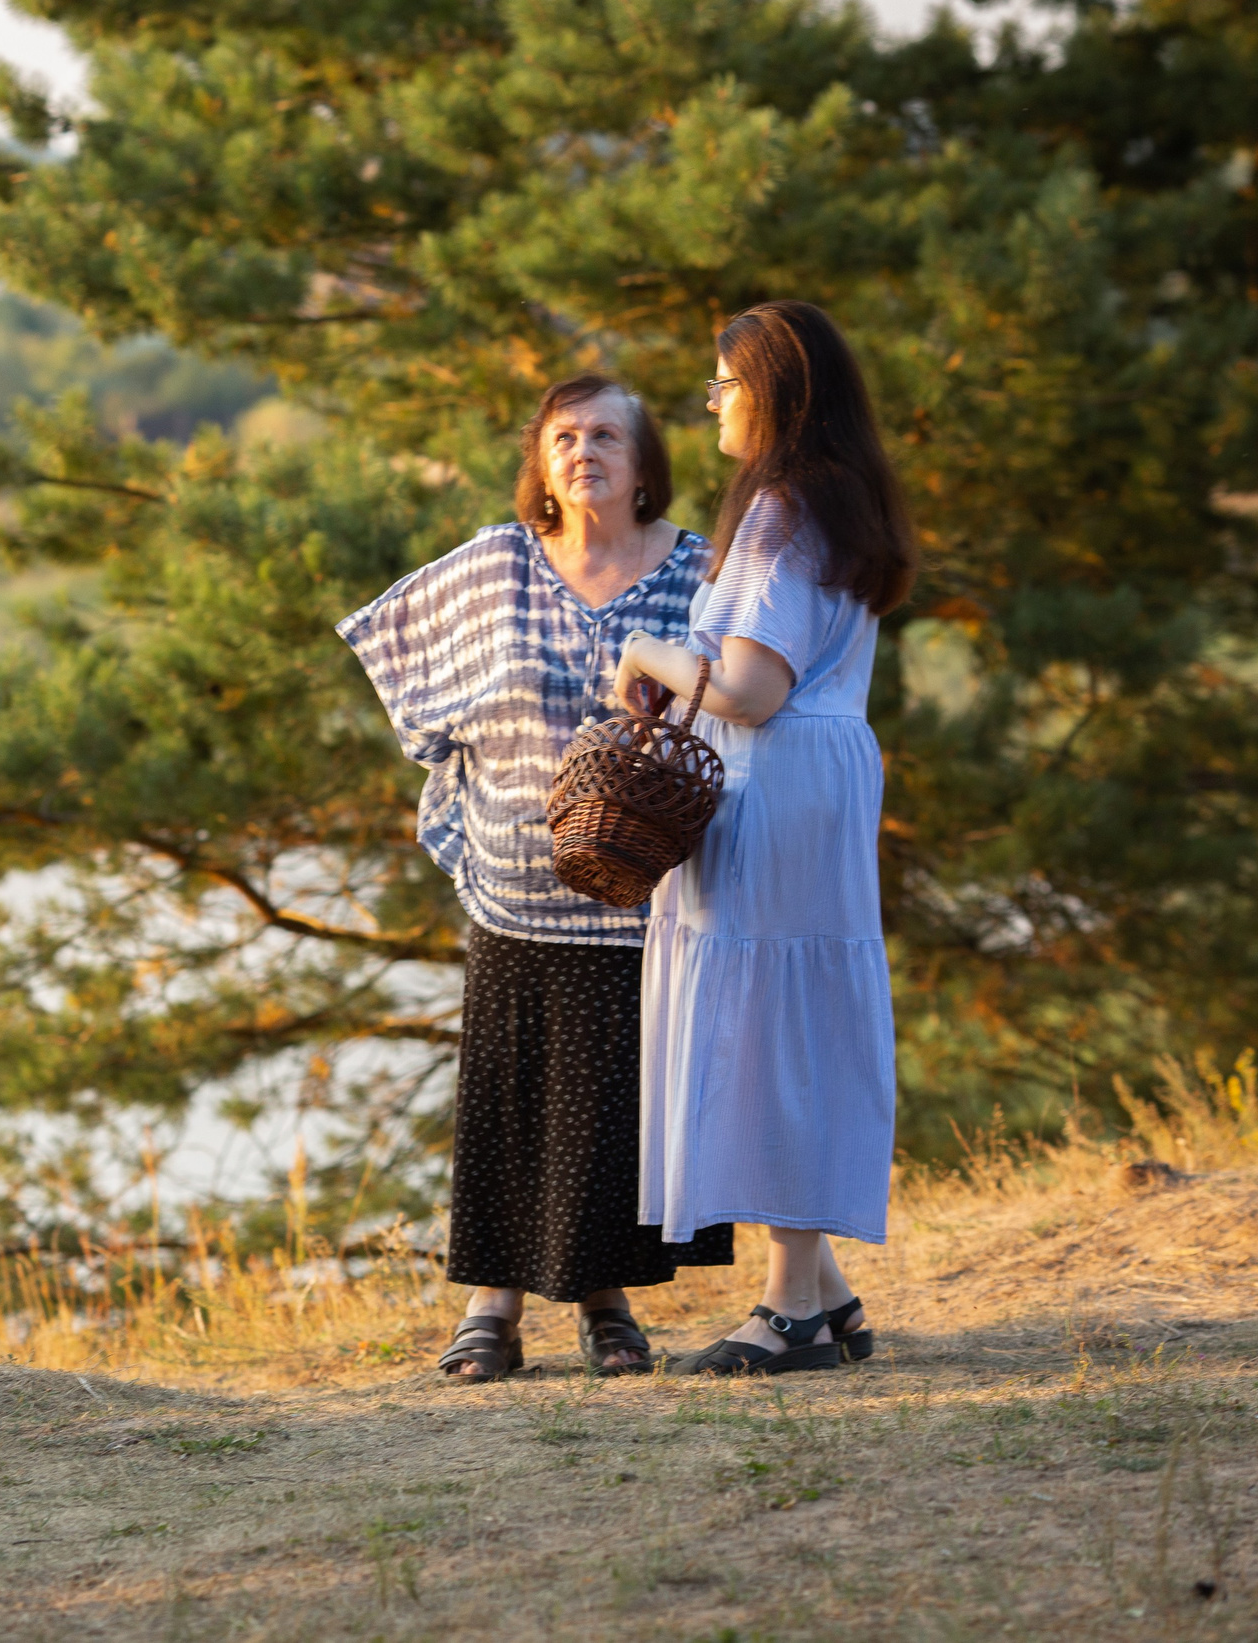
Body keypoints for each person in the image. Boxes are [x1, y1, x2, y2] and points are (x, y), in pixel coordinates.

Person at [340, 374, 732, 1383]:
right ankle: (493, 1308)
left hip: (645, 894)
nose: (582, 451)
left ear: (645, 465)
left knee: (610, 1109)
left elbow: (743, 702)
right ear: (539, 462)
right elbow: (395, 656)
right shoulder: (495, 566)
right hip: (513, 891)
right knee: (510, 1103)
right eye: (563, 436)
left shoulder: (700, 572)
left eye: (607, 434)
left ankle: (606, 1304)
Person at [614, 300, 918, 1375]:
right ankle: (823, 1294)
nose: (710, 403)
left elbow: (745, 687)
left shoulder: (784, 510)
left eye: (724, 384)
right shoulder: (837, 499)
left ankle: (788, 1305)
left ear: (776, 395)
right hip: (819, 774)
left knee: (768, 1026)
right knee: (790, 1017)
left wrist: (648, 657)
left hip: (776, 778)